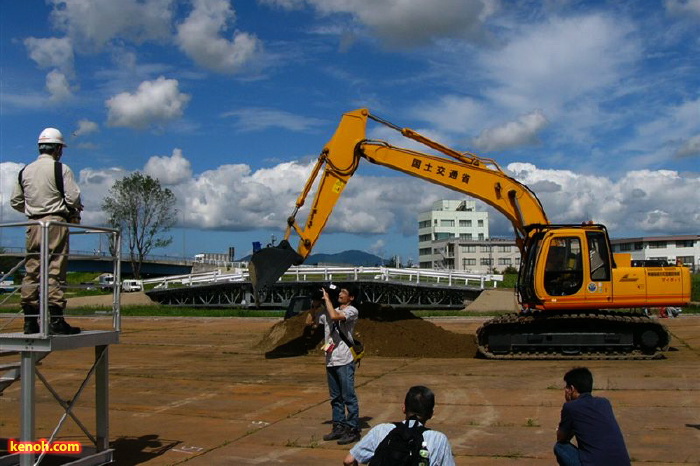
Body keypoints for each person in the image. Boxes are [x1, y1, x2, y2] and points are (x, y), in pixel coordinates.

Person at [10, 127, 82, 335]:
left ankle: (30, 321)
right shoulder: (61, 169)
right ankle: (56, 320)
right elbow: (73, 198)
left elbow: (15, 201)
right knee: (55, 269)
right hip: (55, 222)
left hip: (33, 224)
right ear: (58, 149)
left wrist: (34, 209)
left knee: (32, 270)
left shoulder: (25, 171)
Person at [343, 385, 455, 466]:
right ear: (430, 414)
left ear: (404, 408)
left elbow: (349, 460)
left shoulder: (381, 430)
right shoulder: (439, 439)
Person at [555, 367, 630, 466]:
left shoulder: (570, 407)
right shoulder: (604, 403)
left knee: (560, 447)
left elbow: (561, 438)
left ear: (572, 389)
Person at [315, 285, 361, 445]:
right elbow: (313, 321)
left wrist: (327, 298)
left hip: (344, 359)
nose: (340, 294)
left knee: (348, 396)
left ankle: (353, 429)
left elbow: (335, 317)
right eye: (339, 292)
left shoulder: (352, 311)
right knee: (335, 397)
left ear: (351, 298)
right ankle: (339, 426)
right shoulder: (330, 309)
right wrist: (314, 303)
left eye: (344, 292)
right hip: (331, 359)